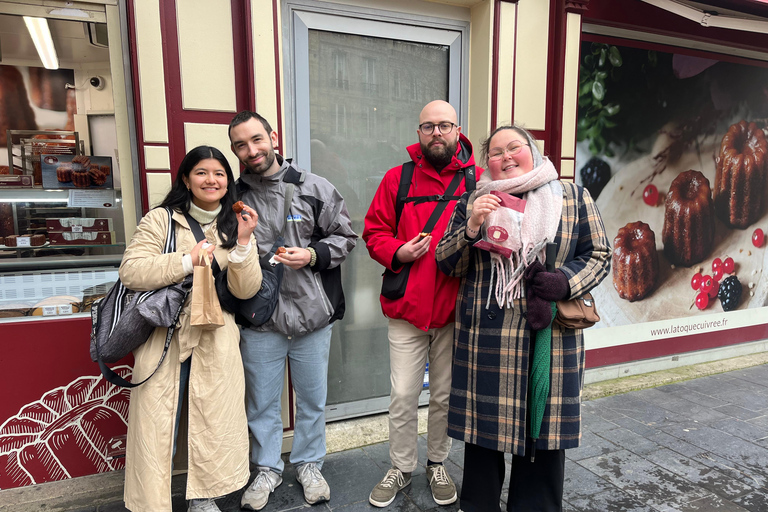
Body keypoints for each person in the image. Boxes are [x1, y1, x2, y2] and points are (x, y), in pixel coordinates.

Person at [435, 125, 611, 511]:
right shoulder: (475, 200)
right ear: (488, 165)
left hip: (548, 337)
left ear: (533, 151)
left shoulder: (572, 197)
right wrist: (470, 228)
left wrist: (563, 281)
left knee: (543, 444)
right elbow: (445, 262)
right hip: (487, 340)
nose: (506, 157)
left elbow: (600, 255)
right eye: (495, 153)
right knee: (482, 444)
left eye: (514, 147)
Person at [121, 146, 263, 512]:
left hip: (216, 338)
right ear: (186, 178)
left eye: (219, 174)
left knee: (213, 422)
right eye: (201, 172)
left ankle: (204, 498)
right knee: (157, 425)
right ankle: (153, 503)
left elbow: (245, 291)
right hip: (164, 335)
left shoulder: (237, 223)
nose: (211, 180)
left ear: (228, 182)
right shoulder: (161, 220)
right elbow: (132, 271)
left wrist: (245, 242)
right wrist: (188, 259)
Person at [228, 111, 357, 510]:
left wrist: (314, 254)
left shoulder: (315, 188)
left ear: (273, 136)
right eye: (240, 145)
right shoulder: (231, 199)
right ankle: (266, 468)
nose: (251, 151)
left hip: (311, 319)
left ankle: (308, 464)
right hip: (259, 321)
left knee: (312, 401)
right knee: (261, 404)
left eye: (256, 140)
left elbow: (347, 236)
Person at [363, 100, 482, 508]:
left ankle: (436, 463)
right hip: (407, 309)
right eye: (428, 126)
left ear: (457, 130)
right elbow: (374, 231)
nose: (436, 133)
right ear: (418, 132)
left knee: (445, 396)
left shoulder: (478, 181)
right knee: (402, 395)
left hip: (456, 310)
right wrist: (398, 251)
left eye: (444, 126)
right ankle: (400, 466)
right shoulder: (398, 178)